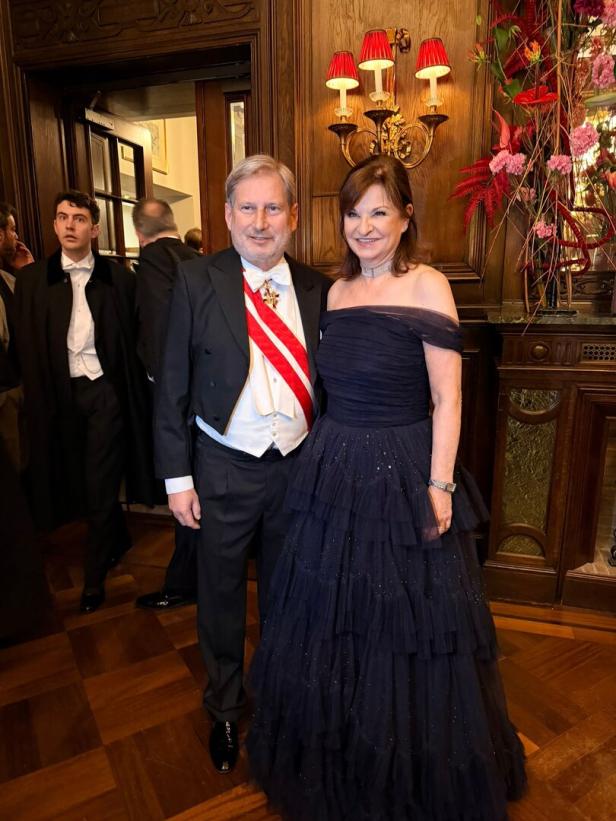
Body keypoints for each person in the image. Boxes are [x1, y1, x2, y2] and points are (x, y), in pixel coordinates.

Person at [247, 155, 527, 820]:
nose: (363, 226)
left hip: (405, 466)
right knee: (326, 622)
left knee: (407, 630)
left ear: (405, 219)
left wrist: (438, 484)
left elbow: (448, 399)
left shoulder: (429, 284)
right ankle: (338, 754)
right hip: (334, 463)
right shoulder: (334, 293)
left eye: (378, 211)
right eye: (353, 212)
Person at [154, 155, 330, 774]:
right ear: (227, 216)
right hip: (222, 469)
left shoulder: (317, 288)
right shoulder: (197, 280)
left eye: (273, 207)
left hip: (298, 472)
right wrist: (177, 479)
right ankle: (226, 707)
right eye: (248, 208)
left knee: (290, 595)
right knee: (222, 597)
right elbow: (172, 384)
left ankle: (281, 701)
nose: (261, 221)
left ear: (294, 217)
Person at [15, 190, 154, 614]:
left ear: (94, 228)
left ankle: (93, 578)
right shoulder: (32, 280)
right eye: (62, 217)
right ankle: (116, 537)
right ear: (54, 225)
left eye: (79, 218)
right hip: (57, 394)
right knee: (71, 476)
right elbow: (24, 346)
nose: (70, 225)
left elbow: (136, 339)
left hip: (104, 393)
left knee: (99, 480)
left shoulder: (120, 279)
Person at [132, 198, 200, 610]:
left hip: (176, 397)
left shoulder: (152, 262)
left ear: (140, 234)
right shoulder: (198, 259)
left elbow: (158, 334)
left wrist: (163, 388)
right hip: (208, 395)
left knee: (184, 489)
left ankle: (182, 583)